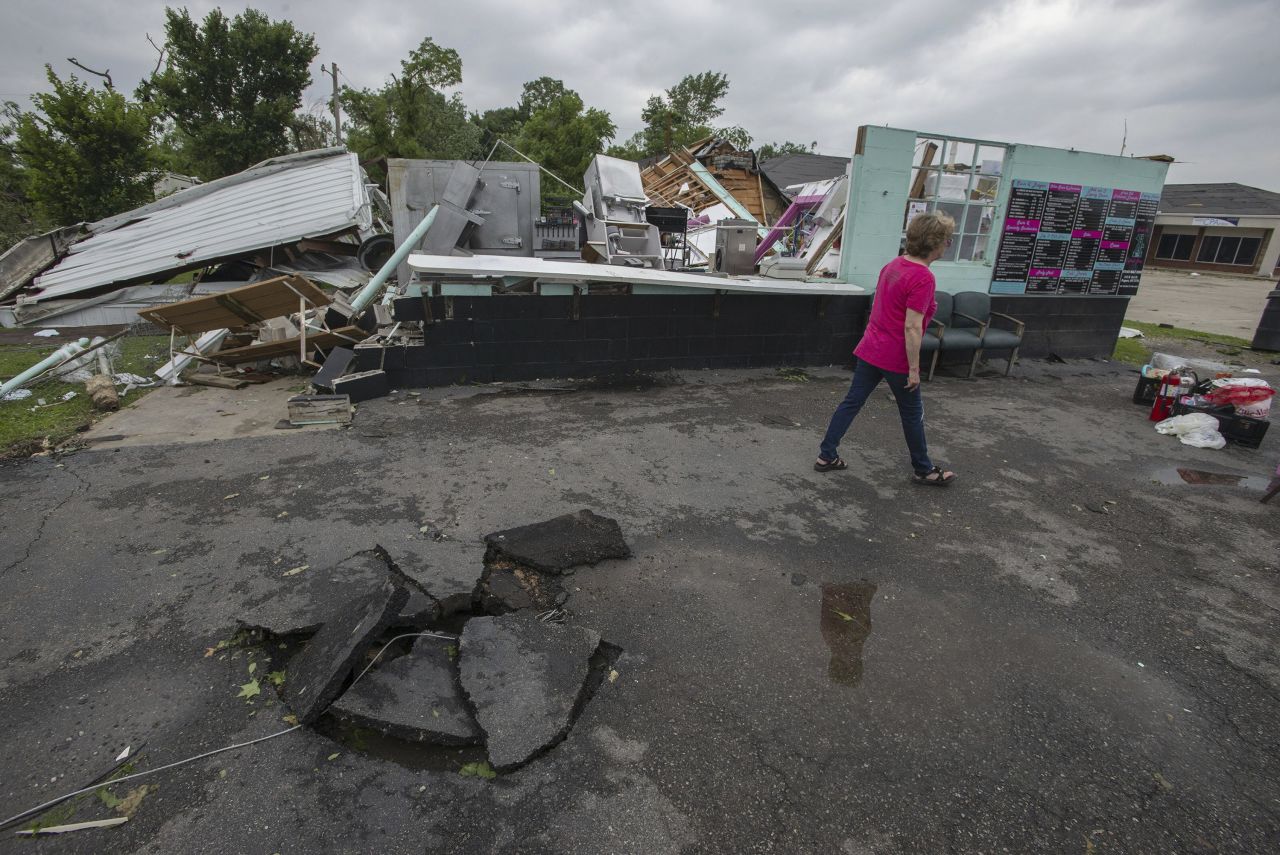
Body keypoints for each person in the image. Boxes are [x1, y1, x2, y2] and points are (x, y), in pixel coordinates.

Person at [814, 211, 957, 486]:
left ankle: (826, 455)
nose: (947, 245)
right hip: (895, 356)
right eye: (947, 240)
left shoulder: (893, 265)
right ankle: (923, 469)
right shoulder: (923, 278)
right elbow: (912, 327)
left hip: (871, 349)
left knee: (851, 402)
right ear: (935, 243)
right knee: (912, 414)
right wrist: (914, 369)